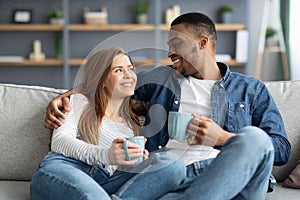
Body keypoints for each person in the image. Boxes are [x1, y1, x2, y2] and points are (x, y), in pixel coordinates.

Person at [45, 13, 291, 199]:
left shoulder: (251, 89)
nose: (169, 51)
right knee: (170, 165)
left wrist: (223, 137)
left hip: (229, 175)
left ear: (202, 42)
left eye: (176, 43)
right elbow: (109, 82)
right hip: (172, 178)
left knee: (255, 139)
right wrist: (66, 96)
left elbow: (280, 150)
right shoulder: (161, 78)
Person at [30, 47, 186, 200]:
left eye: (130, 69)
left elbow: (124, 173)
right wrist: (106, 155)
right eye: (118, 70)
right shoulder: (79, 102)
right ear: (101, 79)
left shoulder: (137, 122)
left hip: (105, 182)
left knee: (173, 164)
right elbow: (59, 142)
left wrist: (134, 161)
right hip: (66, 168)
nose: (129, 75)